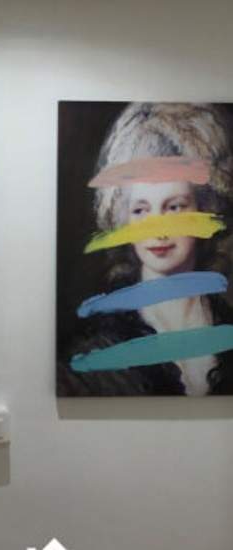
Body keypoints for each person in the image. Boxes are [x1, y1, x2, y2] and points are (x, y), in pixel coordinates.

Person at [57, 102, 233, 396]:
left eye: (174, 207)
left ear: (205, 209)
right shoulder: (97, 348)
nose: (156, 231)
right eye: (140, 210)